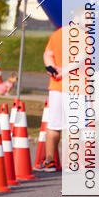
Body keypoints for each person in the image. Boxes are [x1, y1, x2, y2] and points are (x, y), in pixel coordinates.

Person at [40, 26, 64, 171]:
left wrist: (52, 68)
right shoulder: (85, 36)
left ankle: (49, 161)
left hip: (57, 85)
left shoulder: (57, 34)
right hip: (78, 87)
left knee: (54, 125)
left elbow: (48, 54)